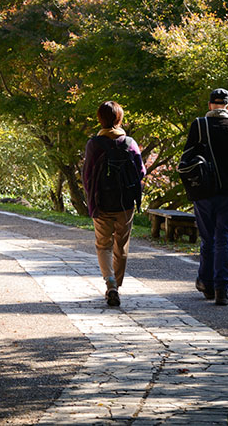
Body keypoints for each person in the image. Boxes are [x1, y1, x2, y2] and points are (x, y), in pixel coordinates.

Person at [183, 88, 228, 306]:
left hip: (203, 191)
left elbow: (187, 158)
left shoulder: (199, 125)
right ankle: (222, 289)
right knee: (224, 238)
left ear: (211, 105)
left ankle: (206, 282)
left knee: (208, 238)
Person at [82, 101, 146, 307]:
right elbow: (141, 172)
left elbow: (87, 175)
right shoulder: (129, 143)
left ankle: (109, 283)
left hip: (101, 203)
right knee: (121, 246)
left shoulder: (94, 144)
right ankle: (116, 285)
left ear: (100, 119)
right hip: (125, 203)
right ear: (119, 119)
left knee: (103, 245)